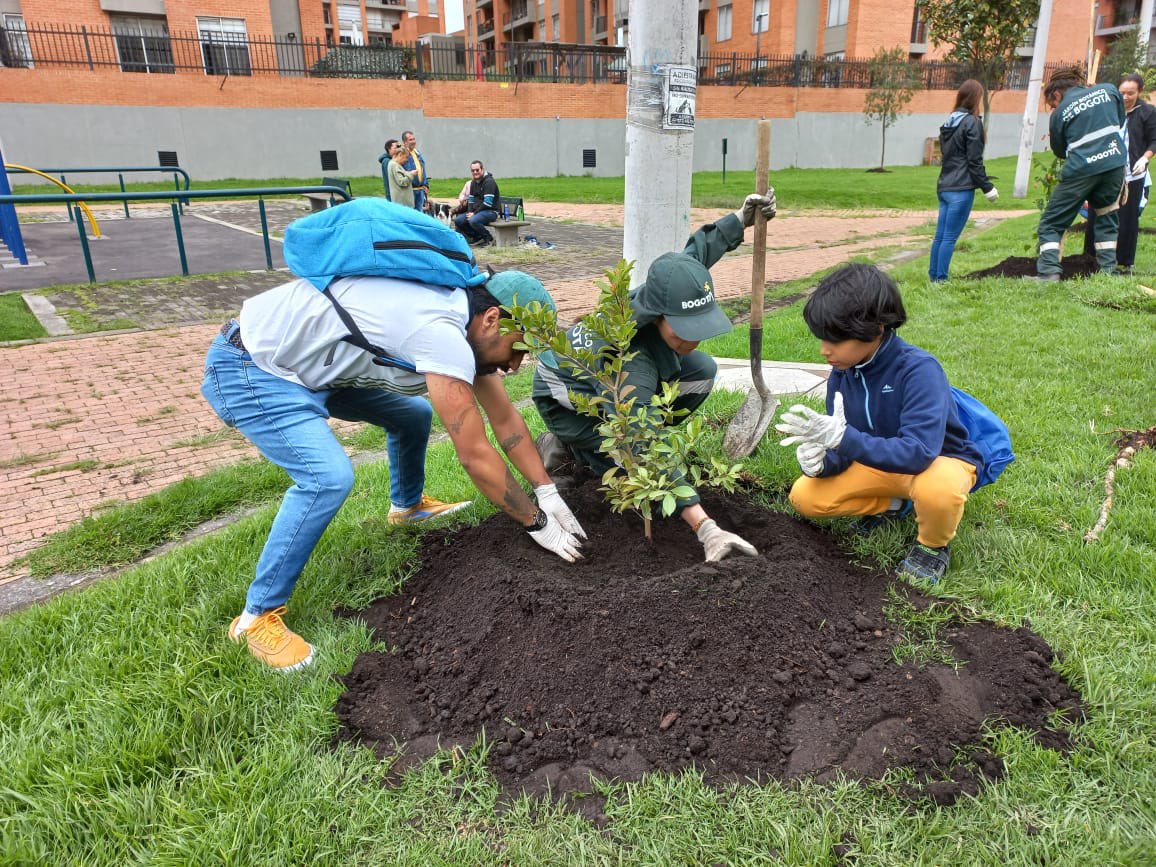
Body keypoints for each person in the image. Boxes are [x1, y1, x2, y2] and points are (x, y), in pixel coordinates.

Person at [202, 269, 586, 671]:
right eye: (518, 348)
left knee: (412, 415)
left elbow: (506, 421)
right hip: (252, 365)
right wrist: (536, 522)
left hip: (311, 366)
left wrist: (547, 491)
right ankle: (257, 616)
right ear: (492, 319)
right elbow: (474, 452)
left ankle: (407, 506)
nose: (517, 364)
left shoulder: (465, 325)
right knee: (326, 478)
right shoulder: (439, 332)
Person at [531, 191, 777, 562]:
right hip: (565, 394)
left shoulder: (670, 287)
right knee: (629, 457)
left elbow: (694, 256)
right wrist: (706, 527)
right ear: (658, 316)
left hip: (617, 385)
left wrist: (739, 220)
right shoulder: (631, 361)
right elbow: (640, 437)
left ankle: (623, 448)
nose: (694, 337)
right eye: (683, 329)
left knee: (702, 371)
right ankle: (564, 447)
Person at [777, 264, 985, 583]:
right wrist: (822, 462)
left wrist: (843, 439)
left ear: (875, 328)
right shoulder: (842, 374)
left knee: (938, 489)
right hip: (879, 464)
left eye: (835, 339)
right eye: (821, 339)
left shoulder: (919, 370)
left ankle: (932, 548)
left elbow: (918, 453)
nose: (824, 350)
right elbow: (845, 448)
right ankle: (895, 506)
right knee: (805, 496)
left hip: (933, 464)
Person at [1033, 67, 1127, 280]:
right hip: (1114, 164)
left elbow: (1059, 150)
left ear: (1056, 94)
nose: (1053, 108)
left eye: (1051, 104)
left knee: (1051, 222)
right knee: (1106, 214)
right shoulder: (1109, 90)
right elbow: (1119, 121)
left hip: (1081, 169)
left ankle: (1048, 272)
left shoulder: (1060, 112)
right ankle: (1107, 271)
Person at [929, 79, 998, 282]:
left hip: (944, 187)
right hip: (961, 189)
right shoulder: (972, 123)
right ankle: (940, 280)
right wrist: (988, 188)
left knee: (940, 236)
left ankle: (934, 276)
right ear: (976, 99)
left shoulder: (950, 121)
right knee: (949, 237)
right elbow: (974, 161)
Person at [1114, 73, 1156, 273]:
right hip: (1109, 173)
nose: (1125, 97)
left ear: (1139, 92)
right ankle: (1093, 258)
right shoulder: (1111, 110)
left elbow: (1154, 140)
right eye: (1122, 92)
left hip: (1134, 174)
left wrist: (1145, 158)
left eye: (1130, 93)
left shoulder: (1147, 112)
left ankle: (1125, 262)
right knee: (1100, 215)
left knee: (1129, 218)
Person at [454, 160, 500, 248]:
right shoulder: (473, 182)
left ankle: (489, 238)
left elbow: (487, 203)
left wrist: (474, 213)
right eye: (473, 170)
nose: (475, 172)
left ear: (482, 169)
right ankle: (478, 237)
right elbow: (471, 200)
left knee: (473, 220)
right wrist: (470, 212)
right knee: (459, 220)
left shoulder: (489, 182)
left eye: (477, 170)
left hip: (491, 211)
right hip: (479, 211)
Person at [401, 130, 430, 213]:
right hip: (409, 191)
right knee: (410, 215)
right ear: (405, 142)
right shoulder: (402, 155)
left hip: (420, 191)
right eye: (410, 140)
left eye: (414, 139)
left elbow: (423, 169)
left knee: (419, 215)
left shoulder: (417, 153)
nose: (413, 141)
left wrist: (426, 184)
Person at [384, 138, 416, 209]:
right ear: (400, 155)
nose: (407, 160)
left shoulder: (395, 165)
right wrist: (411, 174)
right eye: (406, 157)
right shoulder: (394, 165)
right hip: (402, 206)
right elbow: (402, 182)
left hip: (402, 205)